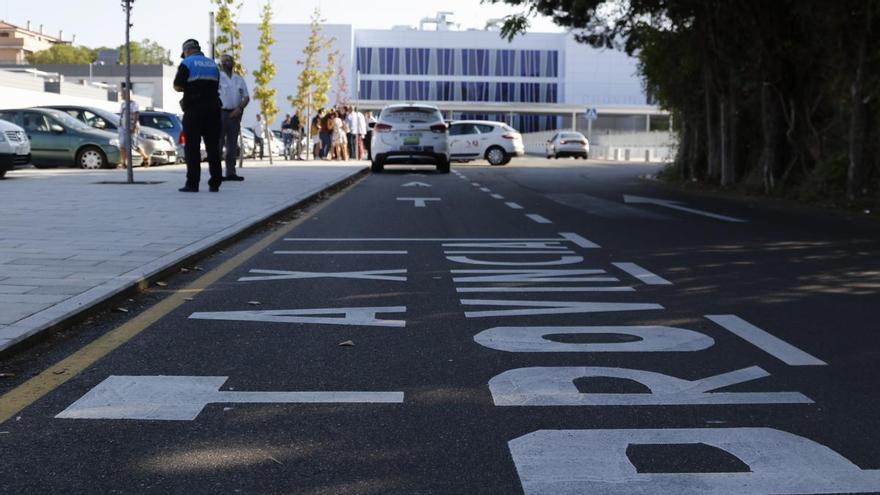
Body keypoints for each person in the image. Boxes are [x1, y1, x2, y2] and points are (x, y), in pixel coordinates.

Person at [173, 38, 222, 192]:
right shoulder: (213, 64)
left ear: (187, 51)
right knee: (213, 147)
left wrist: (188, 89)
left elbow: (177, 85)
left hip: (194, 109)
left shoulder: (187, 63)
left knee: (192, 147)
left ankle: (192, 183)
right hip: (214, 109)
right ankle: (215, 182)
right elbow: (216, 85)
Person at [218, 53, 248, 181]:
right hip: (220, 113)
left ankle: (231, 172)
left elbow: (246, 97)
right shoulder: (218, 77)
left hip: (235, 114)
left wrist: (239, 108)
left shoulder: (239, 79)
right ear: (221, 64)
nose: (227, 63)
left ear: (233, 63)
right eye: (224, 61)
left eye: (229, 60)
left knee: (232, 145)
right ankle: (217, 174)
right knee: (218, 144)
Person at [117, 84, 150, 169]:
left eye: (122, 94)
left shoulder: (133, 104)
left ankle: (145, 157)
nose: (121, 96)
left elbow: (136, 115)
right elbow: (122, 115)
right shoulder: (123, 104)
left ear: (127, 94)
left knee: (133, 145)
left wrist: (134, 127)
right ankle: (124, 163)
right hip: (122, 127)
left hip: (131, 126)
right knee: (122, 145)